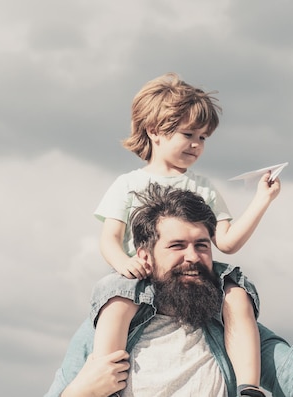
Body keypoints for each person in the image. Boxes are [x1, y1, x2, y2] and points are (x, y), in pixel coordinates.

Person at [45, 183, 293, 397]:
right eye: (177, 246)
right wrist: (78, 393)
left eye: (201, 245)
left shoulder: (233, 331)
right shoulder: (109, 325)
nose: (192, 256)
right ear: (145, 256)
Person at [91, 73, 280, 396]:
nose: (196, 145)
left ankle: (249, 387)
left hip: (191, 272)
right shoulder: (126, 184)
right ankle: (103, 379)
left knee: (237, 293)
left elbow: (228, 243)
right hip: (141, 271)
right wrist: (123, 264)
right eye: (188, 134)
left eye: (204, 138)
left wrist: (262, 200)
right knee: (114, 294)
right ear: (154, 131)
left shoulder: (202, 187)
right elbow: (110, 238)